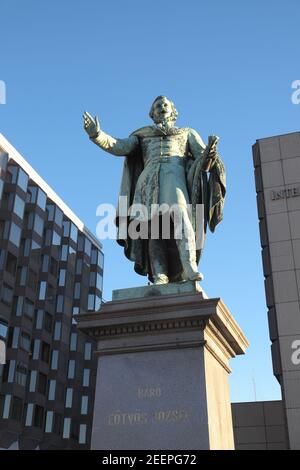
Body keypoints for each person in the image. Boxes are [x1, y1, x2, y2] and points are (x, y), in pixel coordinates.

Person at [83, 96, 226, 285]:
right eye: (157, 106)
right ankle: (160, 274)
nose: (162, 107)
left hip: (174, 179)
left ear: (173, 111)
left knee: (181, 218)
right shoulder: (142, 134)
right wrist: (97, 135)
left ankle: (189, 266)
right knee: (153, 230)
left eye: (165, 105)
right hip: (147, 181)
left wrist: (210, 152)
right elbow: (119, 146)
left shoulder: (187, 133)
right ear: (152, 114)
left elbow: (204, 164)